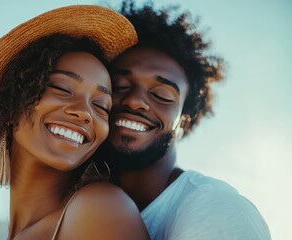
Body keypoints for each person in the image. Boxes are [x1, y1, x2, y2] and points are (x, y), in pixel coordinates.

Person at [0, 5, 150, 240]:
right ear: (9, 102)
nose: (84, 113)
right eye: (61, 88)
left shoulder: (100, 208)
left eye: (101, 106)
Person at [95, 1, 272, 239]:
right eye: (120, 86)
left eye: (161, 95)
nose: (135, 100)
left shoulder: (215, 206)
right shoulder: (71, 201)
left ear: (184, 123)